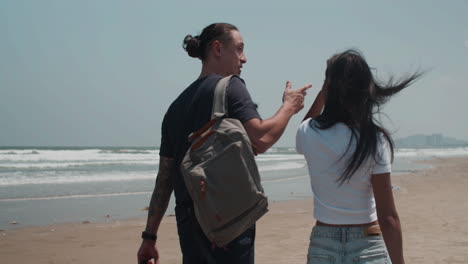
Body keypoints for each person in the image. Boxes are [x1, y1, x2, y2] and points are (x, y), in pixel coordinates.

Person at [137, 22, 311, 264]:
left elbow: (165, 179)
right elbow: (261, 139)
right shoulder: (230, 86)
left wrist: (149, 237)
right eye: (239, 49)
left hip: (190, 225)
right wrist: (289, 107)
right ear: (217, 48)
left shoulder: (174, 108)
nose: (244, 58)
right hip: (229, 220)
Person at [296, 50, 422, 264]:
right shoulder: (373, 140)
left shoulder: (308, 133)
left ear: (329, 87)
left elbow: (306, 123)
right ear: (365, 90)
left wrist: (325, 90)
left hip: (323, 243)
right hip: (367, 243)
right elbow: (388, 217)